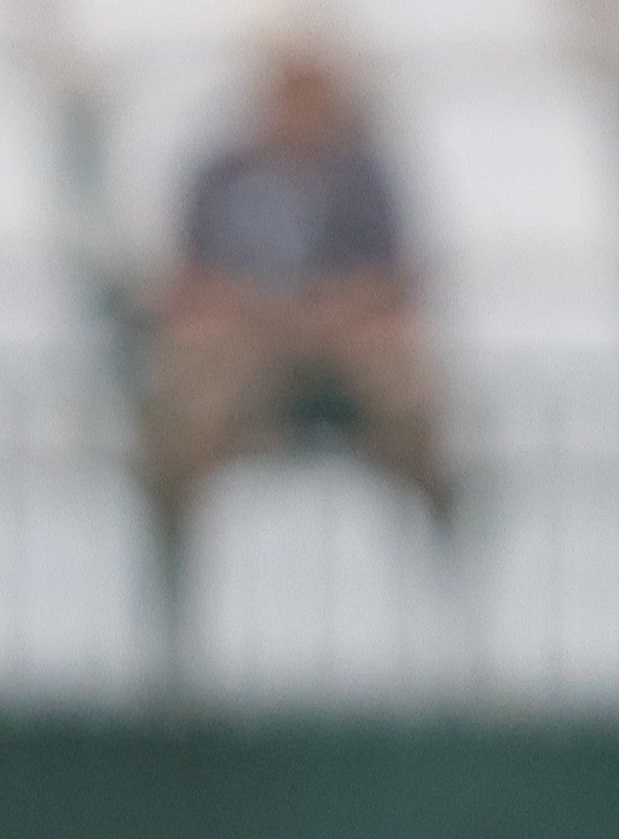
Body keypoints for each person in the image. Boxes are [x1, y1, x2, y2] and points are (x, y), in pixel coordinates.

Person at [140, 40, 443, 509]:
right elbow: (191, 278)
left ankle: (435, 514)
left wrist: (325, 317)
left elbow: (392, 278)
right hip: (245, 337)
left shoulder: (362, 175)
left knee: (404, 388)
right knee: (192, 394)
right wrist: (265, 315)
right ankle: (176, 520)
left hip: (342, 338)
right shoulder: (222, 175)